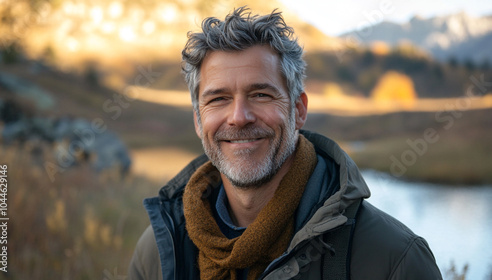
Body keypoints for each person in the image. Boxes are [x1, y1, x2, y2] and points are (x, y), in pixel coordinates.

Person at [128, 7, 442, 280]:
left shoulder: (394, 259)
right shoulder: (158, 252)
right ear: (198, 120)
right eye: (219, 99)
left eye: (261, 94)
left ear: (299, 109)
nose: (239, 117)